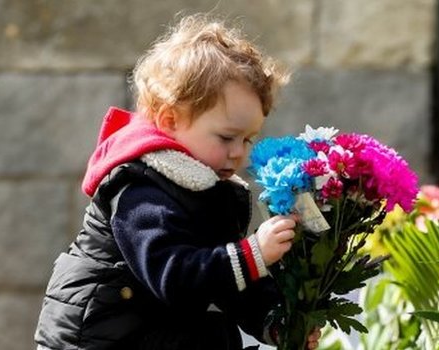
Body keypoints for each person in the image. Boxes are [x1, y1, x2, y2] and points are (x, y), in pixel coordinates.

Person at [35, 14, 319, 349]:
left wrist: (275, 322)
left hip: (149, 329)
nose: (237, 153)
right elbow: (175, 277)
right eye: (227, 137)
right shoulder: (141, 189)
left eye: (248, 140)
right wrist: (252, 253)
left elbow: (228, 282)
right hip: (99, 339)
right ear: (170, 120)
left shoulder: (208, 190)